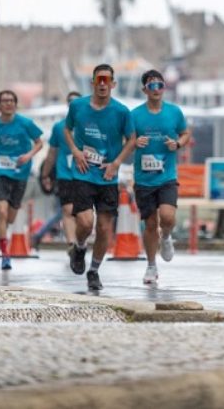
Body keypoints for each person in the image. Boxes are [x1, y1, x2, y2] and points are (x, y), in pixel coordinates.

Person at [65, 64, 136, 291]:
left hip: (107, 175)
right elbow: (66, 129)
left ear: (113, 84)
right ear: (93, 83)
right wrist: (76, 151)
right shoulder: (77, 106)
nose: (103, 84)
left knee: (105, 228)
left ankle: (94, 271)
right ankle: (79, 247)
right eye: (99, 80)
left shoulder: (121, 111)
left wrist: (116, 163)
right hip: (84, 172)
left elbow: (132, 139)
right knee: (86, 223)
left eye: (107, 80)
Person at [132, 69, 191, 285]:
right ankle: (151, 266)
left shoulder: (174, 112)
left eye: (160, 85)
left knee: (167, 217)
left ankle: (166, 236)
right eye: (151, 85)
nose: (156, 89)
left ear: (164, 88)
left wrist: (177, 144)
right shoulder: (135, 115)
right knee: (149, 224)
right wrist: (134, 143)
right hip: (143, 178)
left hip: (167, 175)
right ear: (144, 89)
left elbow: (185, 134)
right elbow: (125, 140)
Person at [0, 90, 44, 271]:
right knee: (2, 212)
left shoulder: (25, 123)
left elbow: (39, 143)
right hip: (0, 172)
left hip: (20, 173)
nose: (8, 104)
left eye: (11, 101)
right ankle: (5, 254)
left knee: (10, 216)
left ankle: (5, 234)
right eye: (4, 101)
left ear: (15, 104)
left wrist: (28, 155)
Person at [38, 91, 82, 251]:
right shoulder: (59, 127)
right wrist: (45, 175)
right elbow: (51, 154)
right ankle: (72, 245)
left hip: (86, 175)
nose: (73, 105)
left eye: (77, 102)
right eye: (70, 102)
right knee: (67, 210)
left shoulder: (90, 126)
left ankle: (80, 241)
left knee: (84, 216)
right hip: (65, 175)